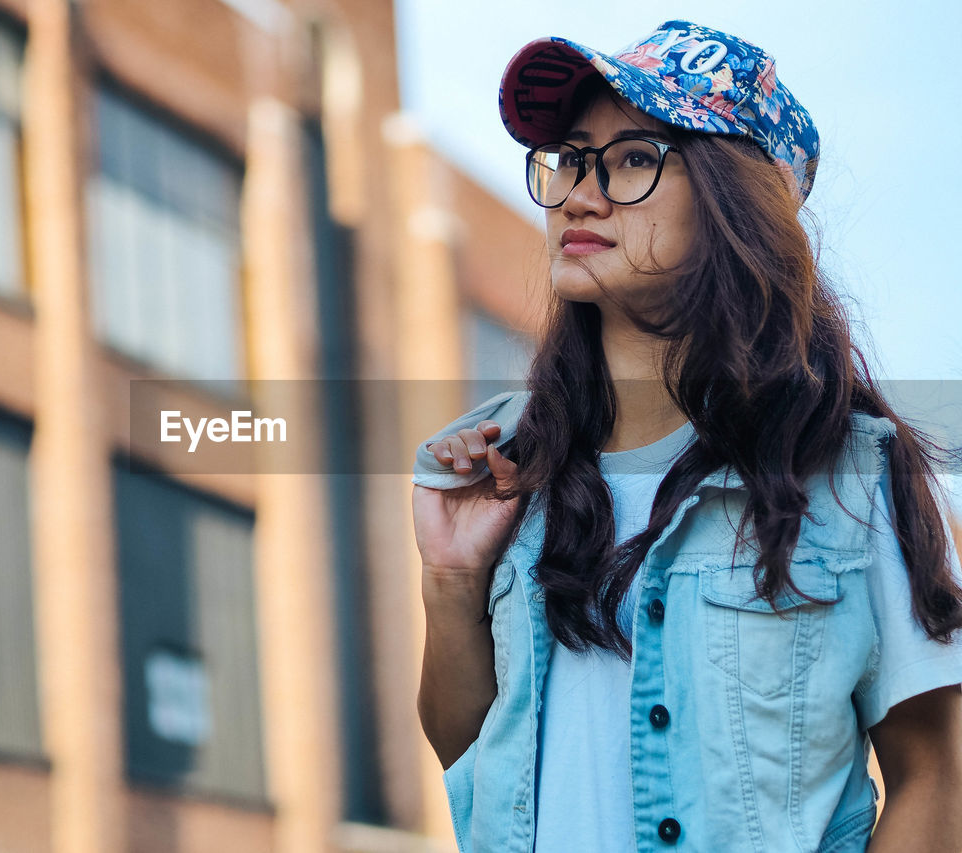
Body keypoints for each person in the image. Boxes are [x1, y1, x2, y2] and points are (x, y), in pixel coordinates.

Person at [410, 19, 962, 853]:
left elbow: (939, 777)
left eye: (634, 158)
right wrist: (452, 581)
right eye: (568, 157)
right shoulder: (513, 466)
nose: (580, 194)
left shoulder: (849, 474)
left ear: (738, 203)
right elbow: (478, 756)